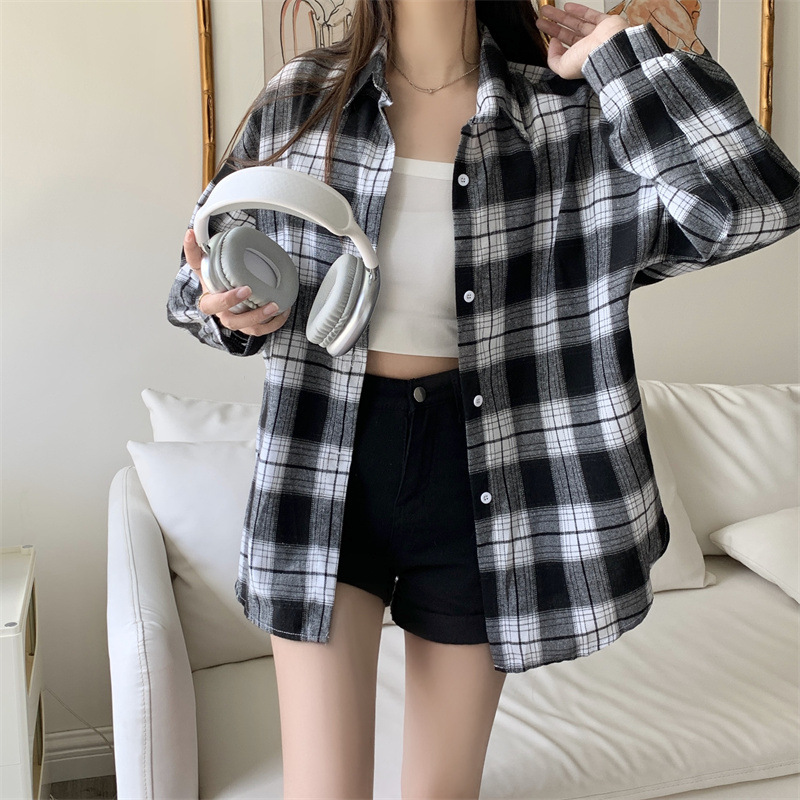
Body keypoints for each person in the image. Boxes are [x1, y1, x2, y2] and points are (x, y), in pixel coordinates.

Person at [168, 1, 800, 797]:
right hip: (327, 460)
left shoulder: (567, 117)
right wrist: (223, 306)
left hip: (489, 475)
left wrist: (620, 55)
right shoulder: (306, 98)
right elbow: (196, 280)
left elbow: (754, 208)